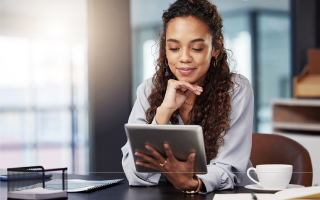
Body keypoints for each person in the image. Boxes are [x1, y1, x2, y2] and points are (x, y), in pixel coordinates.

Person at [122, 0, 255, 194]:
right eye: (174, 48)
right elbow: (136, 174)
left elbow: (229, 167)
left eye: (197, 48)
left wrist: (194, 184)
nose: (184, 57)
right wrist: (164, 113)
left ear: (216, 48)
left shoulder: (236, 89)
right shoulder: (149, 89)